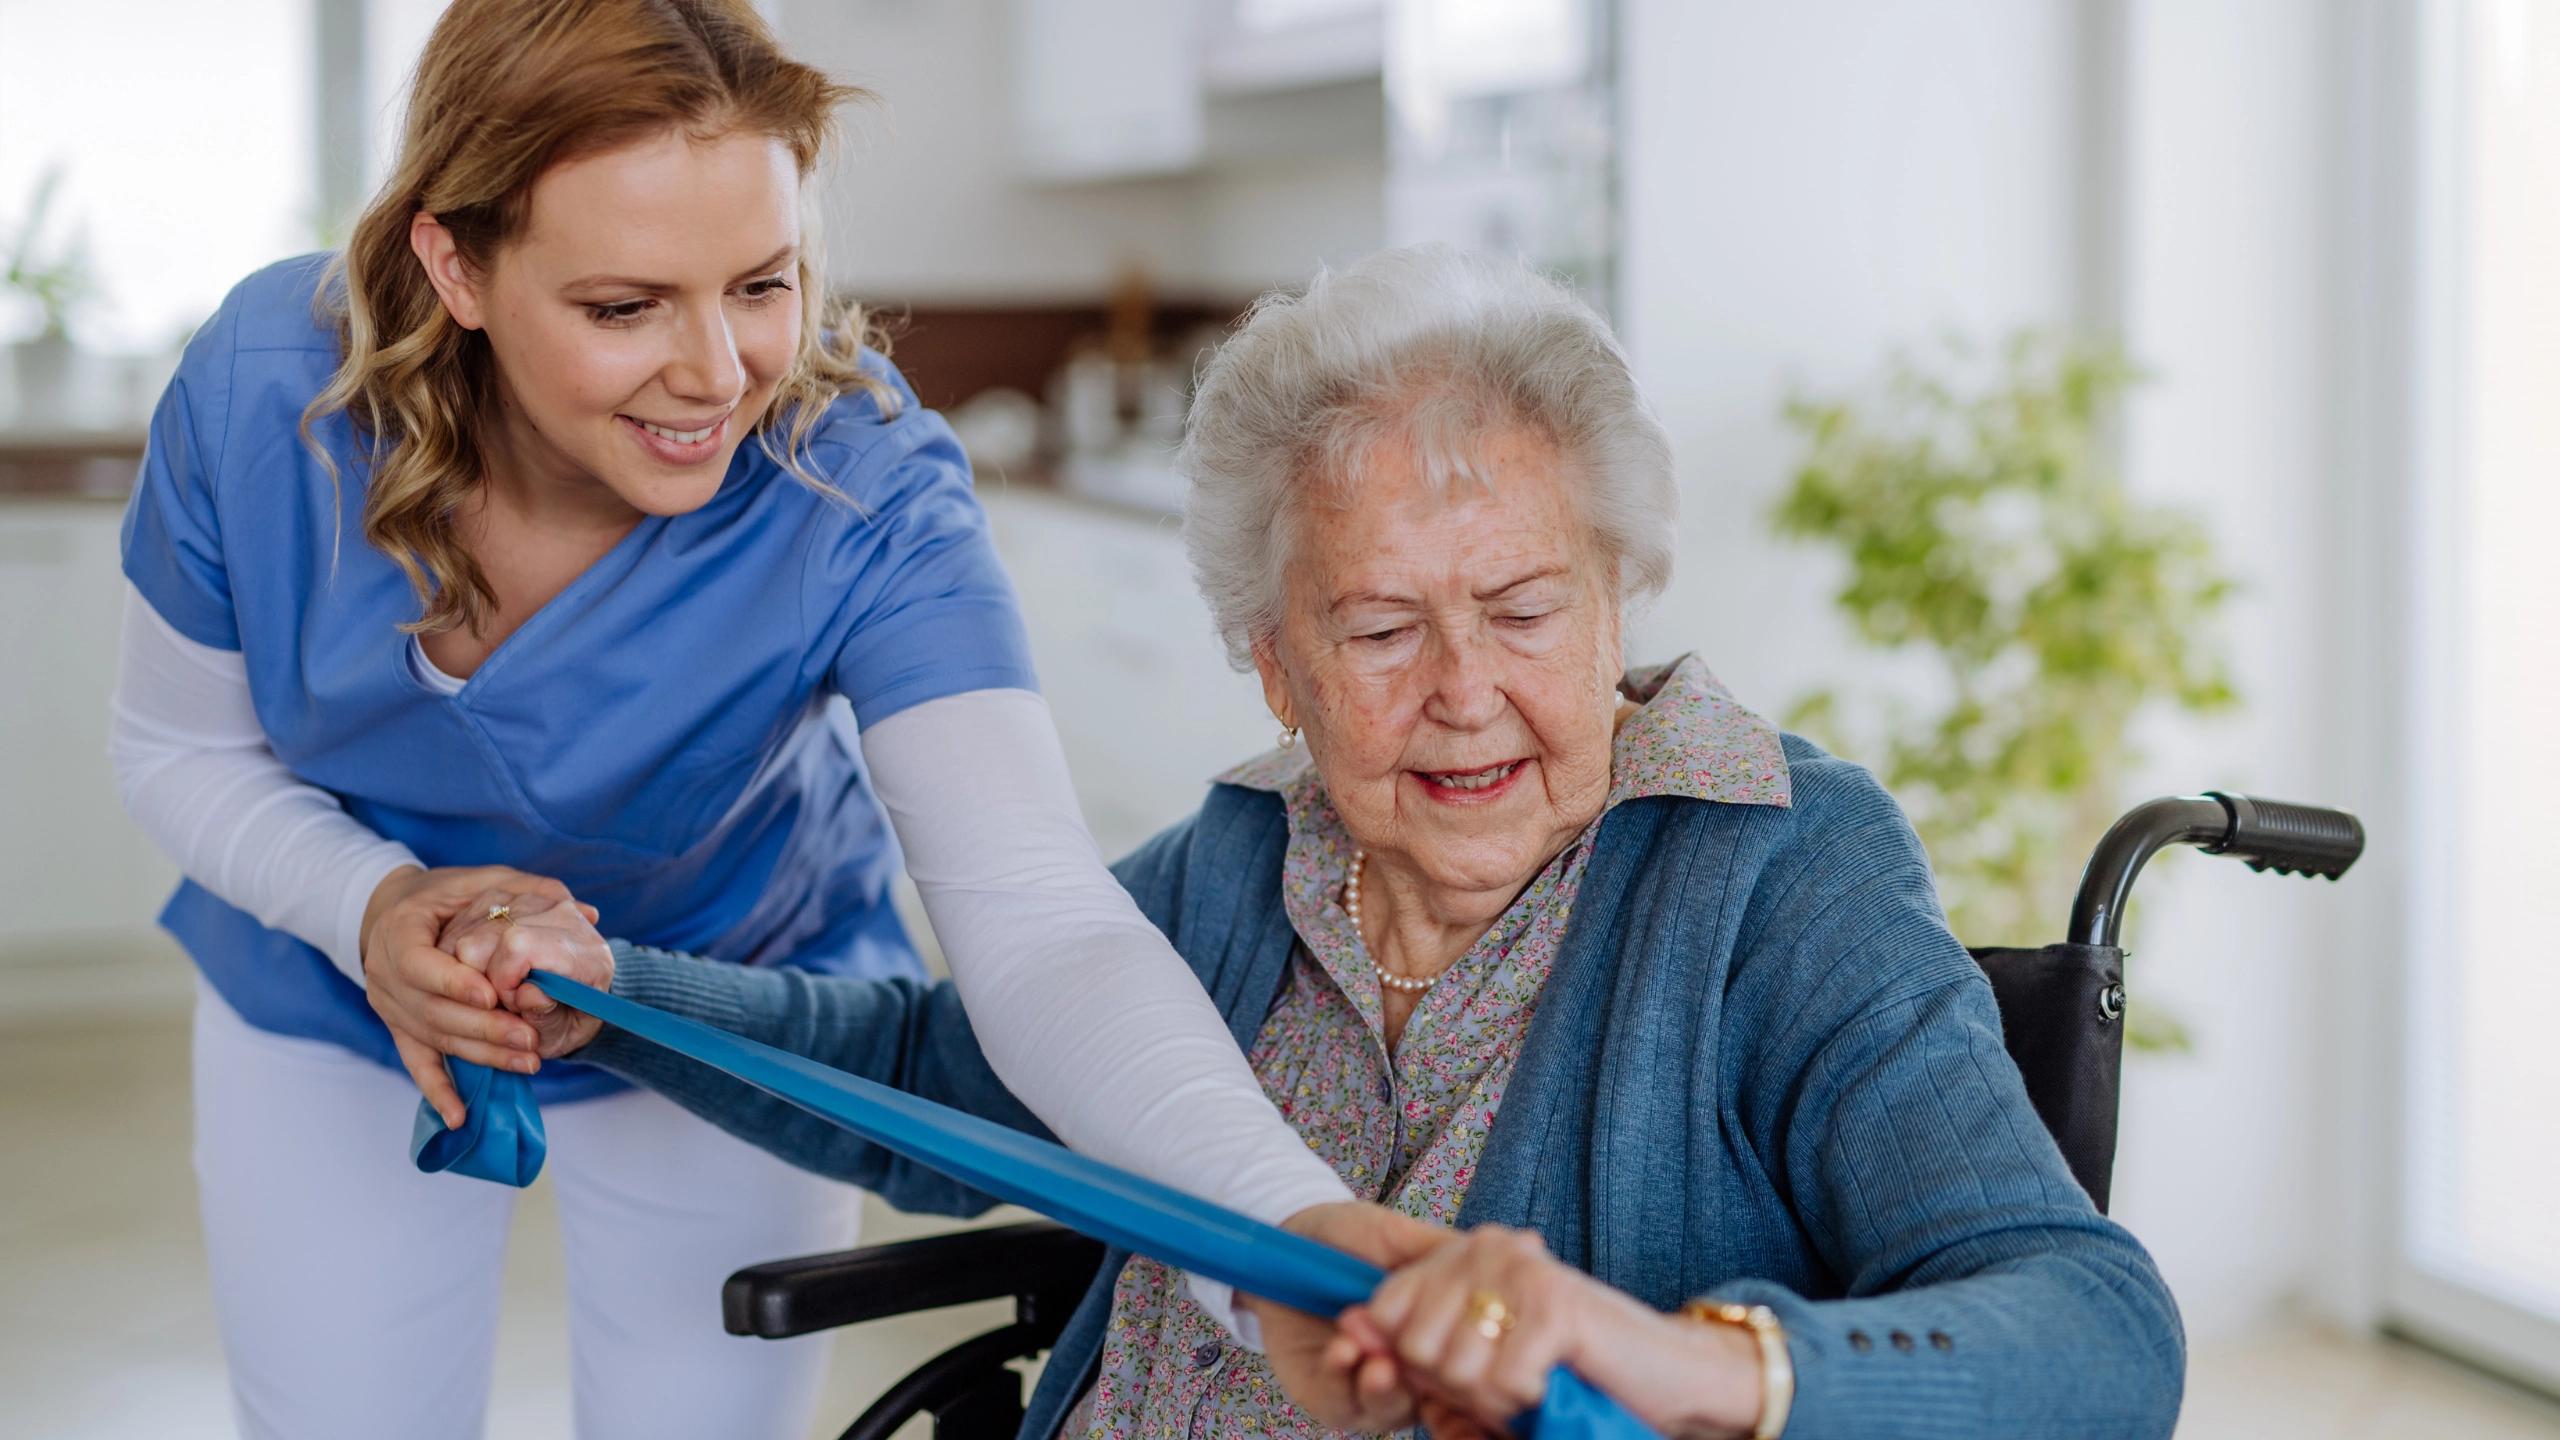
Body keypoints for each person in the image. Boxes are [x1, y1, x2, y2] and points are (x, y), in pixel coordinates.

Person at [443, 244, 2187, 1439]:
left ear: (1619, 594)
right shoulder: (1234, 863)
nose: (1464, 692)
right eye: (1376, 632)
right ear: (1271, 662)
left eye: (1521, 607)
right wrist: (613, 996)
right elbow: (926, 1068)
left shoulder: (1776, 873)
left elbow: (2095, 1329)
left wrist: (1677, 1359)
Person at [106, 3, 1379, 1436]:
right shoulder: (268, 389)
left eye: (761, 284)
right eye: (622, 307)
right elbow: (180, 750)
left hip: (731, 1002)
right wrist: (370, 904)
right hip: (328, 993)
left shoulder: (864, 483)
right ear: (454, 264)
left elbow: (1040, 911)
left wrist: (1289, 1234)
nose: (717, 373)